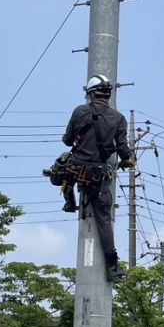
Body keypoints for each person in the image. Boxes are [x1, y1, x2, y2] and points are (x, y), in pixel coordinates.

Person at [62, 74, 133, 282]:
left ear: (91, 94)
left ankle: (69, 201)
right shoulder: (118, 118)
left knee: (61, 169)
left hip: (76, 170)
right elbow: (123, 151)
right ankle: (112, 267)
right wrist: (127, 160)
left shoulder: (79, 111)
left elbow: (67, 141)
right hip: (99, 175)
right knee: (104, 220)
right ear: (108, 95)